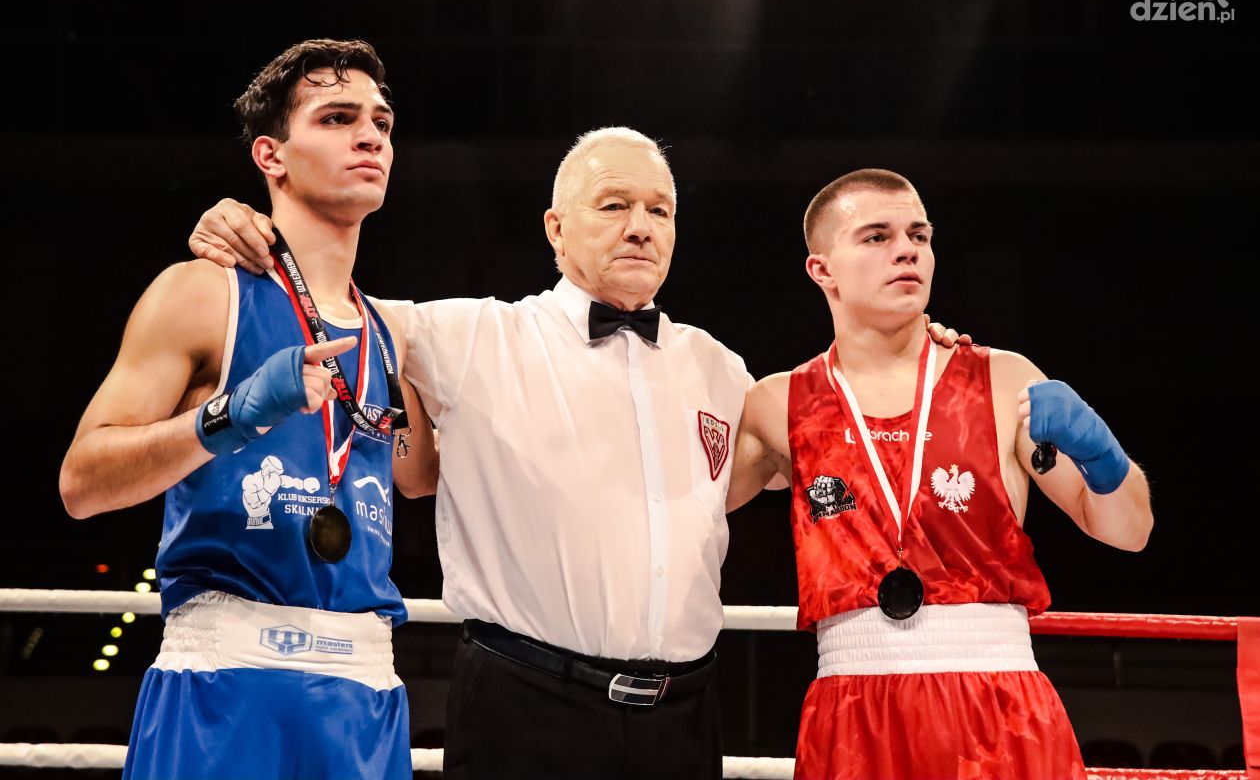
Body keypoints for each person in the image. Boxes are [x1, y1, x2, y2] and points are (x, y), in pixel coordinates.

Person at [188, 132, 964, 779]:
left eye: (660, 210)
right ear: (556, 229)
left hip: (683, 721)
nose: (641, 227)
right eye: (615, 205)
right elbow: (321, 306)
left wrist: (912, 351)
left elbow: (836, 434)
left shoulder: (718, 369)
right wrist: (253, 233)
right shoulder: (471, 337)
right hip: (524, 708)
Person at [59, 39, 436, 780]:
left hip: (364, 696)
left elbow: (417, 477)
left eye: (382, 123)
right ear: (271, 155)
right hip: (224, 686)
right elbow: (82, 482)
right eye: (336, 118)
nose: (369, 136)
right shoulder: (202, 294)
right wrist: (230, 414)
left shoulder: (394, 335)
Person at [731, 168, 1153, 780]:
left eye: (919, 235)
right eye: (876, 236)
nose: (907, 249)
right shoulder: (778, 405)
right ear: (822, 270)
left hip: (996, 706)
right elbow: (685, 510)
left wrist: (1104, 458)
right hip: (852, 708)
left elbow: (1128, 531)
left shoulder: (1003, 380)